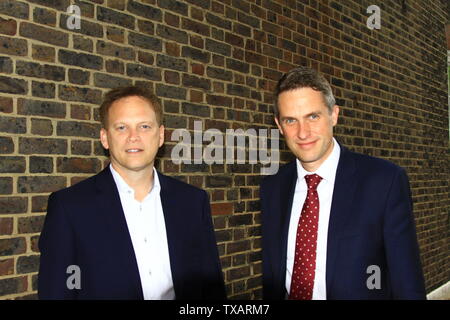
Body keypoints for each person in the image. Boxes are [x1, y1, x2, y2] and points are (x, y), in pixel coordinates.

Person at [38, 86, 226, 300]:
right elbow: (57, 292)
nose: (133, 137)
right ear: (105, 138)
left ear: (161, 135)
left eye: (144, 126)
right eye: (121, 128)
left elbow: (211, 287)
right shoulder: (69, 208)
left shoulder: (192, 202)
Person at [260, 66, 426, 300]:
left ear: (334, 115)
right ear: (279, 125)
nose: (303, 132)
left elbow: (407, 283)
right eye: (290, 120)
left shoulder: (384, 182)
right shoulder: (272, 189)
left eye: (313, 116)